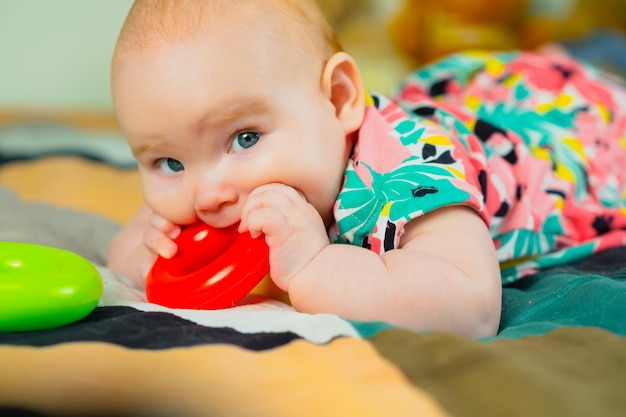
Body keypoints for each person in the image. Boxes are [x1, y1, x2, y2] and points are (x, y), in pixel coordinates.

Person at [107, 0, 626, 338]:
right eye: (167, 161)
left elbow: (471, 306)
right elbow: (139, 249)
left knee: (600, 82)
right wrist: (152, 254)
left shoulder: (410, 176)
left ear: (338, 101)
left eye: (244, 138)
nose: (209, 194)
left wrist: (314, 269)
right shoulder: (227, 183)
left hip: (573, 128)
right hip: (479, 96)